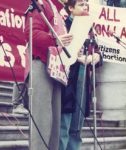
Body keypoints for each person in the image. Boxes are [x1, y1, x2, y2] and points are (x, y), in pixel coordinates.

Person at [24, 0, 73, 150]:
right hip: (41, 65)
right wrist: (55, 40)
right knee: (42, 122)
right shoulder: (41, 4)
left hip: (55, 69)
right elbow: (31, 33)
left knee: (54, 125)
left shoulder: (56, 9)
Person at [59, 0, 102, 150]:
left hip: (83, 79)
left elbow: (96, 51)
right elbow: (57, 48)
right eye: (81, 4)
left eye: (86, 5)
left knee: (77, 126)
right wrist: (74, 56)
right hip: (67, 79)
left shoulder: (89, 28)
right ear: (71, 8)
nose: (85, 8)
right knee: (63, 125)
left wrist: (94, 57)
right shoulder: (62, 24)